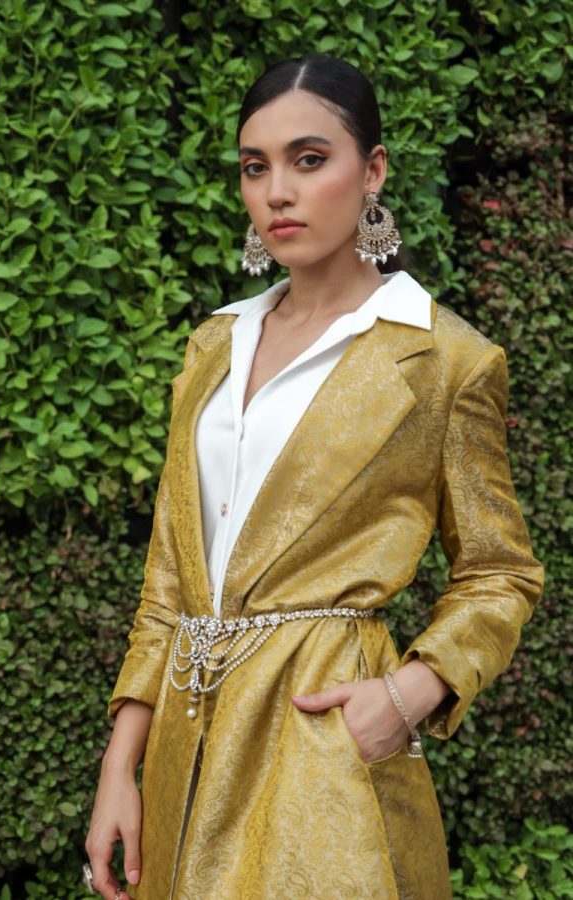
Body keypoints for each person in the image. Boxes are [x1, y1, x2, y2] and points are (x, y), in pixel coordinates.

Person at [85, 53, 545, 900]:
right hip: (183, 753)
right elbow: (169, 581)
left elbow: (499, 572)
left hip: (323, 757)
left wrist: (410, 692)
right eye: (255, 167)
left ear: (373, 171)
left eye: (308, 159)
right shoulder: (212, 346)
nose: (277, 193)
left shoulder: (447, 360)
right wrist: (122, 766)